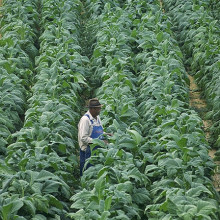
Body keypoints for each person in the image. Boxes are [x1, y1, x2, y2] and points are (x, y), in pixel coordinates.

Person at [78, 98, 106, 176]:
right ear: (93, 109)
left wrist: (106, 134)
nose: (100, 110)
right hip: (88, 152)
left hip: (97, 151)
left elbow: (99, 132)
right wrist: (99, 142)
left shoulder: (97, 118)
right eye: (98, 108)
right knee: (87, 175)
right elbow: (83, 138)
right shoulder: (85, 120)